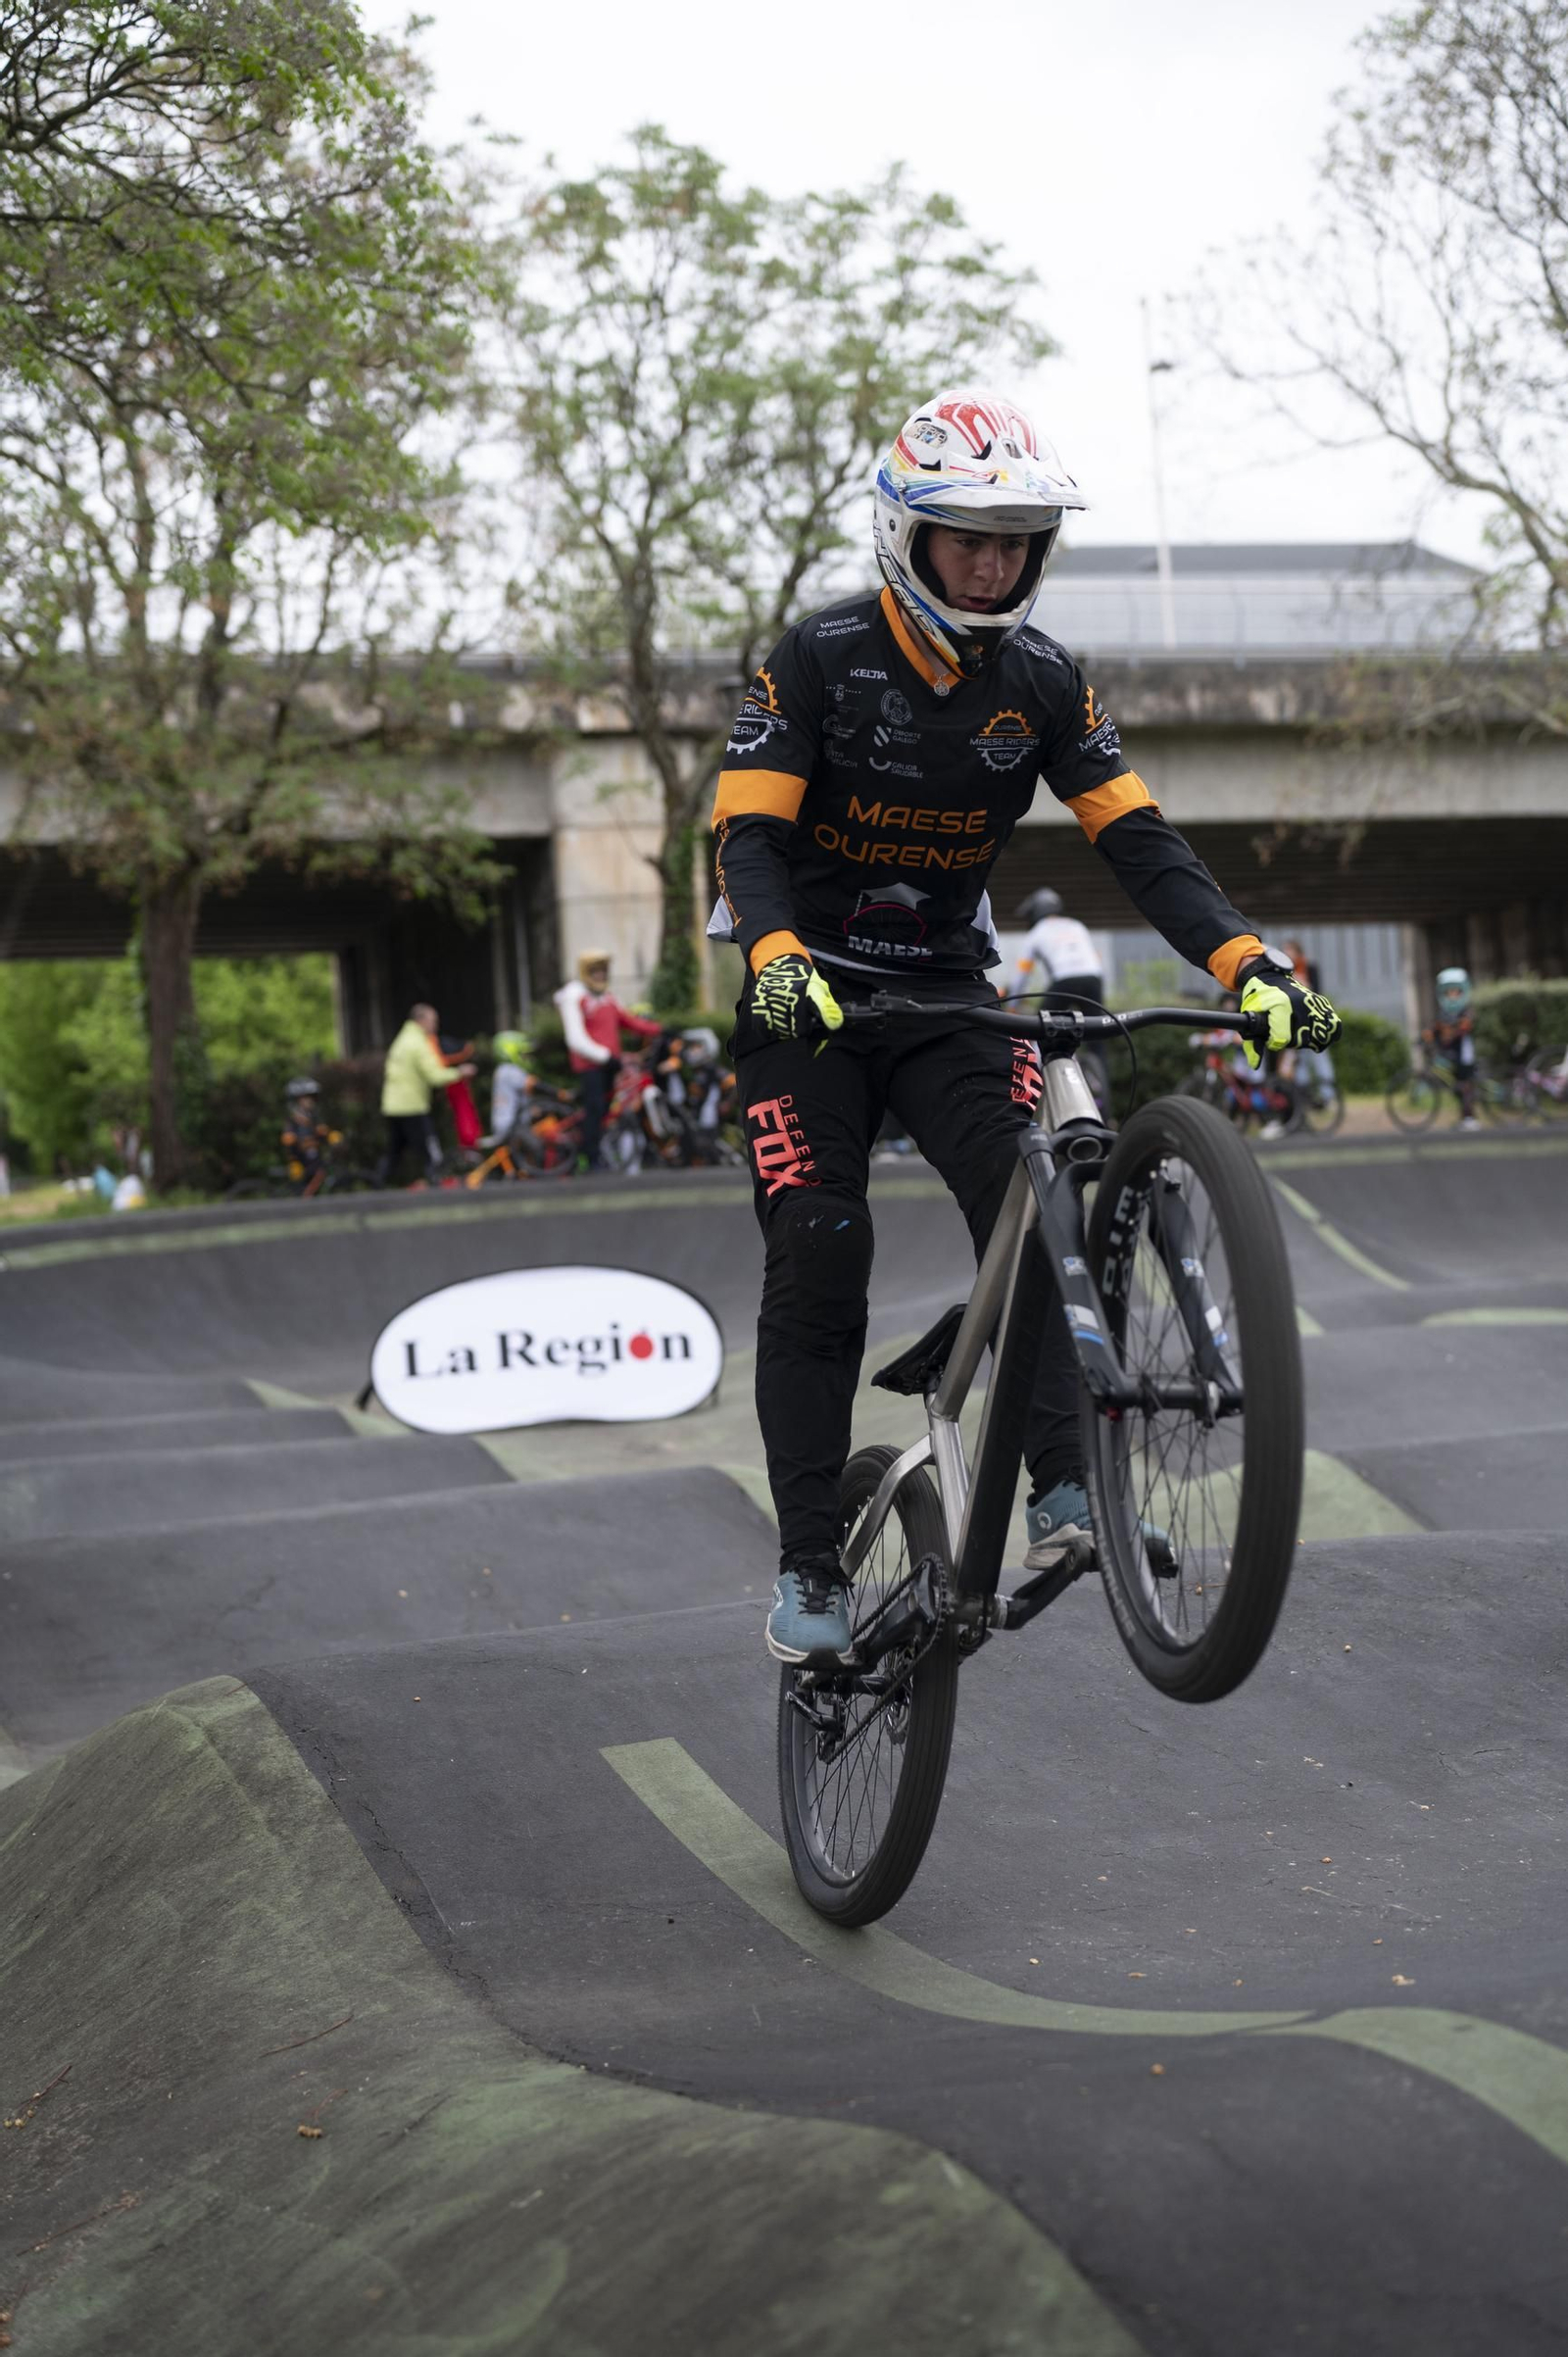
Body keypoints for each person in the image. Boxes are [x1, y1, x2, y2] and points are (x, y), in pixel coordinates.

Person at [706, 386, 1342, 1664]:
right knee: (822, 1249)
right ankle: (808, 1567)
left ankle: (1065, 1491)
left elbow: (1143, 843)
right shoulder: (819, 656)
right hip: (808, 998)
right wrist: (773, 955)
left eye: (1019, 539)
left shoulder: (1046, 680)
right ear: (908, 535)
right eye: (970, 537)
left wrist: (1247, 959)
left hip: (946, 991)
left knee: (1043, 1204)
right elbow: (751, 835)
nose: (996, 562)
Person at [553, 951, 662, 1171]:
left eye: (603, 971)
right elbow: (575, 1038)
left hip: (609, 1064)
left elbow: (628, 1020)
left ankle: (595, 1153)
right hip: (591, 1065)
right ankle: (590, 1159)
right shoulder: (574, 995)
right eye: (595, 971)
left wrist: (660, 1030)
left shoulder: (608, 997)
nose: (601, 975)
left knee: (603, 1111)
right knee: (594, 1110)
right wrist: (605, 1057)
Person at [1012, 885, 1108, 1108]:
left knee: (1039, 1029)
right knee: (1097, 1040)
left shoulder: (1036, 933)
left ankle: (1036, 1084)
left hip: (1064, 981)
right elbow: (1093, 957)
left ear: (1035, 912)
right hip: (1094, 979)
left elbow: (1021, 975)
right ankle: (1102, 1098)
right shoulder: (1076, 925)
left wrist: (1014, 1004)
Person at [375, 1003, 476, 1186]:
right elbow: (435, 1075)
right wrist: (460, 1072)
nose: (435, 1025)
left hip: (393, 1106)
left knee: (394, 1154)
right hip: (411, 1106)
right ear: (421, 1020)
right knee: (431, 1152)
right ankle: (437, 1189)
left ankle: (376, 1186)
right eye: (433, 1020)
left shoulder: (403, 1039)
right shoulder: (418, 1043)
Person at [1280, 937, 1339, 1109]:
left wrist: (1299, 982)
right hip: (1297, 1024)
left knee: (1321, 1059)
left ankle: (1328, 1097)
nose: (1286, 954)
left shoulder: (1310, 968)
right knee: (1300, 1061)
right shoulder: (1283, 971)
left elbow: (1317, 992)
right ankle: (1305, 1097)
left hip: (1315, 1022)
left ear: (1297, 952)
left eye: (1289, 951)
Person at [1426, 965, 1480, 1131]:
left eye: (1456, 991)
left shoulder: (1466, 1012)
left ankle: (1470, 1118)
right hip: (1451, 1054)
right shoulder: (1444, 1014)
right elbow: (1435, 1029)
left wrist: (1450, 1033)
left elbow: (1463, 1028)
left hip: (1464, 1054)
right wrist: (1426, 1037)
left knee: (1465, 1085)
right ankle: (1464, 1117)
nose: (1453, 995)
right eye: (1449, 992)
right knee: (1456, 1085)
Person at [280, 1077, 340, 1191]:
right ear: (297, 1100)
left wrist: (331, 1136)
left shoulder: (314, 1118)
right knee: (300, 1179)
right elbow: (288, 1135)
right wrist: (290, 1138)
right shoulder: (294, 1120)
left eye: (312, 1098)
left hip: (316, 1157)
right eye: (306, 1098)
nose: (310, 1101)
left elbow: (322, 1131)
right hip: (300, 1159)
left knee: (323, 1171)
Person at [488, 1029, 534, 1143]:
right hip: (512, 1125)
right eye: (522, 1054)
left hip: (502, 1123)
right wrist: (558, 1093)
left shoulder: (501, 1070)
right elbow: (531, 1085)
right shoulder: (511, 1070)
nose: (525, 1058)